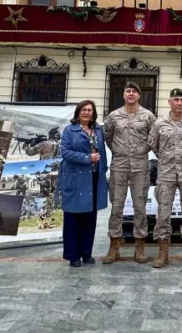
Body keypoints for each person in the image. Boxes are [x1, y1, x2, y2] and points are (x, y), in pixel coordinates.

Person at [102, 81, 157, 264]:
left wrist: (139, 151)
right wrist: (121, 151)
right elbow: (108, 138)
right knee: (116, 206)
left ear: (139, 95)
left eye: (134, 91)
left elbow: (153, 138)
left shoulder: (148, 116)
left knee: (140, 207)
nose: (131, 94)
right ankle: (114, 246)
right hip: (119, 165)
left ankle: (140, 247)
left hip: (140, 165)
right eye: (128, 91)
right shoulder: (114, 116)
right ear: (123, 95)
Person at [148, 88, 182, 268]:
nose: (179, 103)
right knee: (163, 213)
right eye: (176, 99)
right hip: (166, 174)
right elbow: (154, 146)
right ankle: (163, 253)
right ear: (169, 102)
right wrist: (167, 159)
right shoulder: (159, 123)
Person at [58, 100, 109, 268]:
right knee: (74, 218)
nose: (87, 112)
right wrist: (87, 159)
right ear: (78, 112)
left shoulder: (98, 130)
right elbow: (65, 152)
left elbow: (102, 151)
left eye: (90, 110)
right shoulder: (69, 130)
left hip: (93, 178)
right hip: (75, 178)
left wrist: (103, 168)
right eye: (84, 110)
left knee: (90, 218)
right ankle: (73, 256)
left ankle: (87, 253)